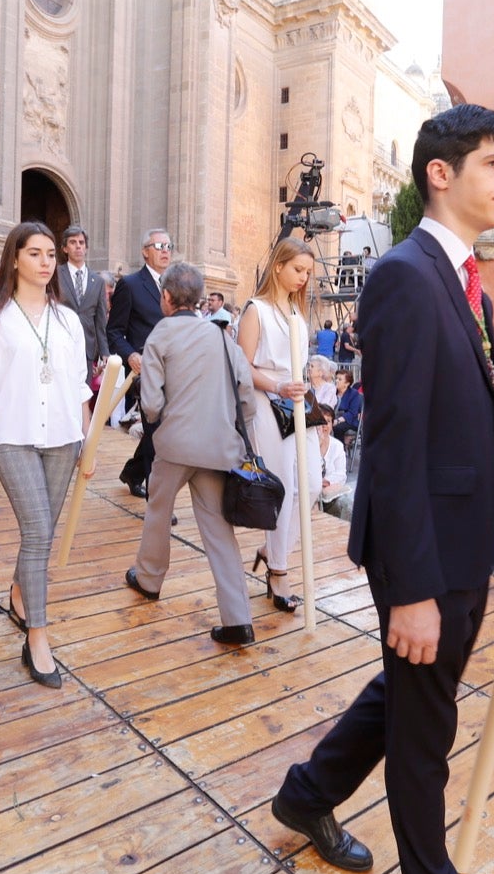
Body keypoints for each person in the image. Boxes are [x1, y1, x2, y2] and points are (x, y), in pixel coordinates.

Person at [272, 105, 494, 874]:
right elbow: (398, 436)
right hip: (424, 554)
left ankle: (307, 795)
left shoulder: (462, 277)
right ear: (440, 174)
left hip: (460, 534)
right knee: (425, 728)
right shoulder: (408, 274)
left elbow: (462, 409)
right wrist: (409, 591)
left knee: (414, 693)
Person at [0, 221, 91, 688]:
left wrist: (88, 442)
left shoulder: (69, 320)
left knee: (43, 532)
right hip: (12, 438)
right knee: (37, 532)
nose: (44, 262)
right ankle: (37, 636)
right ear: (14, 258)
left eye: (51, 254)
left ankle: (20, 590)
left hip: (62, 437)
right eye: (35, 253)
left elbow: (80, 386)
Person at [123, 261, 260, 644]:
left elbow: (150, 403)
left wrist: (161, 419)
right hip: (218, 448)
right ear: (199, 299)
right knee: (219, 531)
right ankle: (239, 620)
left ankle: (149, 579)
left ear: (166, 297)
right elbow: (246, 395)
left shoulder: (160, 335)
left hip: (175, 446)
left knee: (158, 511)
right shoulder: (220, 336)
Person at [237, 237, 318, 614]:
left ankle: (273, 550)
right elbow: (243, 365)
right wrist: (277, 386)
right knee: (283, 484)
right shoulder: (256, 310)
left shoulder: (297, 313)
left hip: (296, 399)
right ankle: (279, 571)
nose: (304, 278)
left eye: (307, 272)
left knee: (312, 483)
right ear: (278, 267)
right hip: (266, 397)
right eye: (298, 270)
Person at [107, 228, 171, 497]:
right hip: (143, 371)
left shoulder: (174, 285)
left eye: (168, 245)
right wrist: (131, 354)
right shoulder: (130, 284)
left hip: (173, 370)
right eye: (158, 245)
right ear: (145, 251)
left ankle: (133, 472)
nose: (165, 250)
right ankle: (158, 500)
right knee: (158, 431)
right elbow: (113, 331)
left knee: (163, 431)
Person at [58, 224, 109, 383]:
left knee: (83, 396)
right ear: (65, 248)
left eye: (81, 242)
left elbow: (100, 319)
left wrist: (104, 352)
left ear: (86, 248)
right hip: (60, 346)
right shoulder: (55, 275)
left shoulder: (98, 281)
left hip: (87, 349)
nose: (78, 246)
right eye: (73, 242)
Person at [331, 366, 362, 449]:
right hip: (334, 417)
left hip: (350, 420)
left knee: (337, 428)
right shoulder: (332, 391)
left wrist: (337, 421)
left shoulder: (354, 394)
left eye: (340, 379)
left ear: (347, 383)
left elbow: (352, 413)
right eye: (336, 378)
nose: (336, 381)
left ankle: (340, 451)